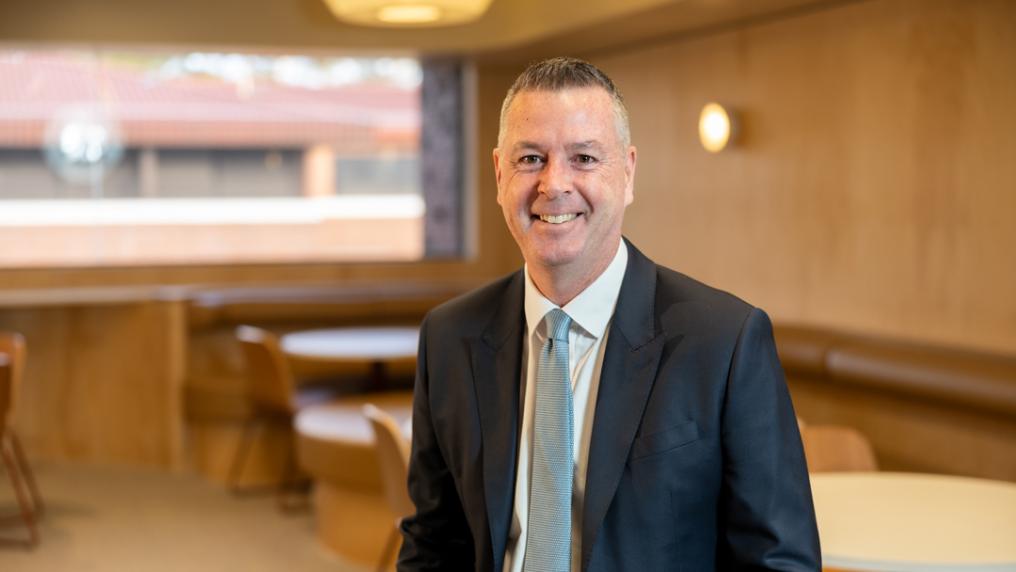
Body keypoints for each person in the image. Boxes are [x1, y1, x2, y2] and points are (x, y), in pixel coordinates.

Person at [398, 57, 820, 572]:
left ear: (627, 172)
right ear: (499, 174)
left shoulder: (725, 342)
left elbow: (779, 561)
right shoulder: (449, 337)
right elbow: (433, 543)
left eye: (583, 158)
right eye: (531, 158)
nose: (554, 183)